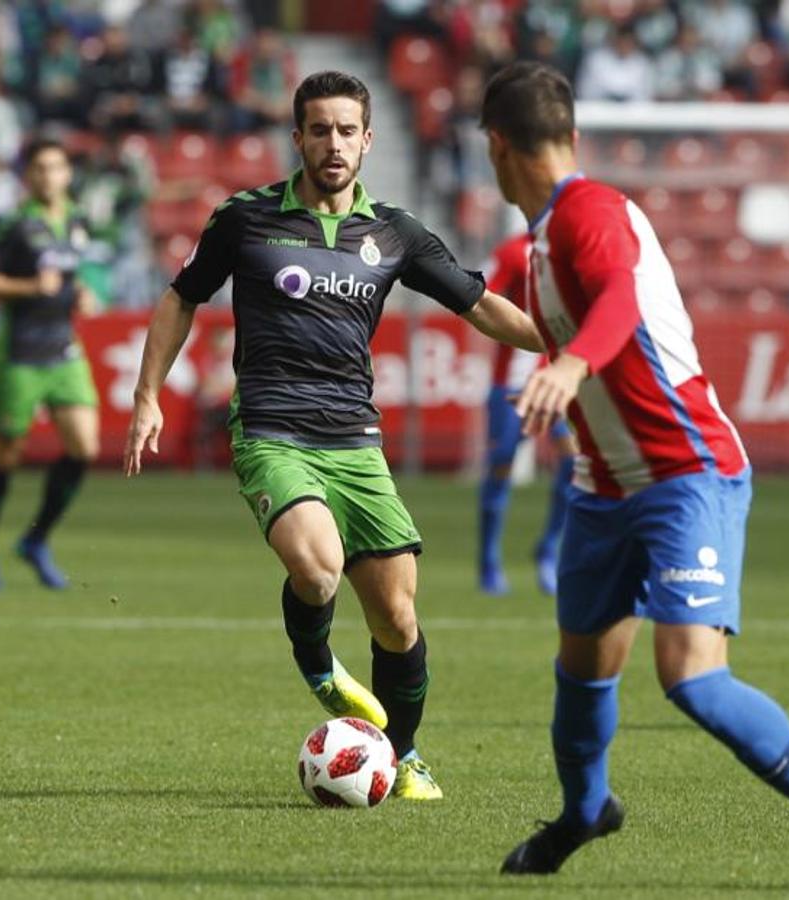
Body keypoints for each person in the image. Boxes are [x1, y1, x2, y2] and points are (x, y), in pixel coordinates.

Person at [478, 62, 789, 889]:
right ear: (571, 135)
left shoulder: (590, 212)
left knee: (690, 675)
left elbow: (619, 300)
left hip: (685, 470)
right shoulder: (540, 244)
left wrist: (573, 365)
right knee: (582, 665)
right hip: (602, 485)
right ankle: (586, 812)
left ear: (495, 147)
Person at [123, 71, 545, 801]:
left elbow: (480, 306)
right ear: (298, 138)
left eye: (347, 130)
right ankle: (318, 662)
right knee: (318, 570)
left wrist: (572, 345)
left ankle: (403, 755)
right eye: (319, 129)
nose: (334, 143)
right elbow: (180, 298)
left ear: (368, 140)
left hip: (356, 443)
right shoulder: (245, 218)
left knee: (398, 616)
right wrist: (146, 395)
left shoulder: (396, 233)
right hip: (272, 432)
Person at [0, 139, 101, 591]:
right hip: (20, 353)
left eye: (57, 167)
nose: (49, 176)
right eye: (40, 169)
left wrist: (78, 291)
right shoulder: (11, 226)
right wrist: (28, 287)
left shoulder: (77, 219)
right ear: (29, 176)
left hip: (63, 348)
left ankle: (36, 539)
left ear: (67, 174)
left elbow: (68, 272)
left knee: (84, 446)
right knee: (7, 454)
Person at [478, 232, 578, 597]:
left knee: (573, 462)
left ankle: (549, 549)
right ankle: (489, 560)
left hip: (555, 381)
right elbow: (479, 298)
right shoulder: (511, 251)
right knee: (502, 463)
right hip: (510, 385)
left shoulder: (572, 250)